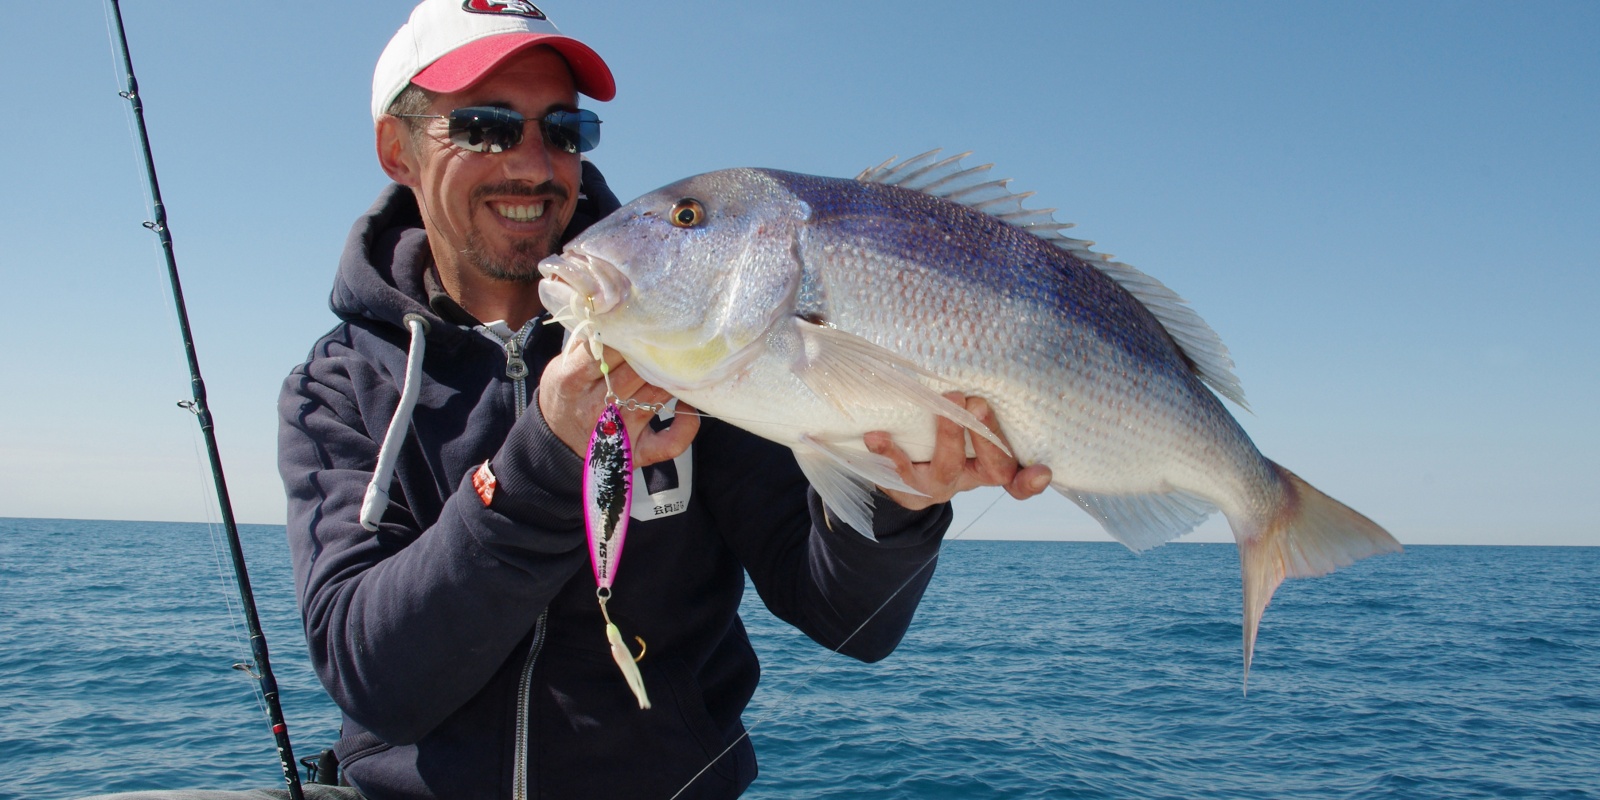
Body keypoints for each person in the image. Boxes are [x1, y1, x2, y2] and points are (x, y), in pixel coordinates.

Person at [87, 2, 1050, 798]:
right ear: (397, 149)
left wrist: (901, 505)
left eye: (566, 129)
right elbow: (372, 673)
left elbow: (850, 624)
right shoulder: (339, 385)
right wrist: (546, 459)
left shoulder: (697, 342)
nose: (535, 162)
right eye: (485, 125)